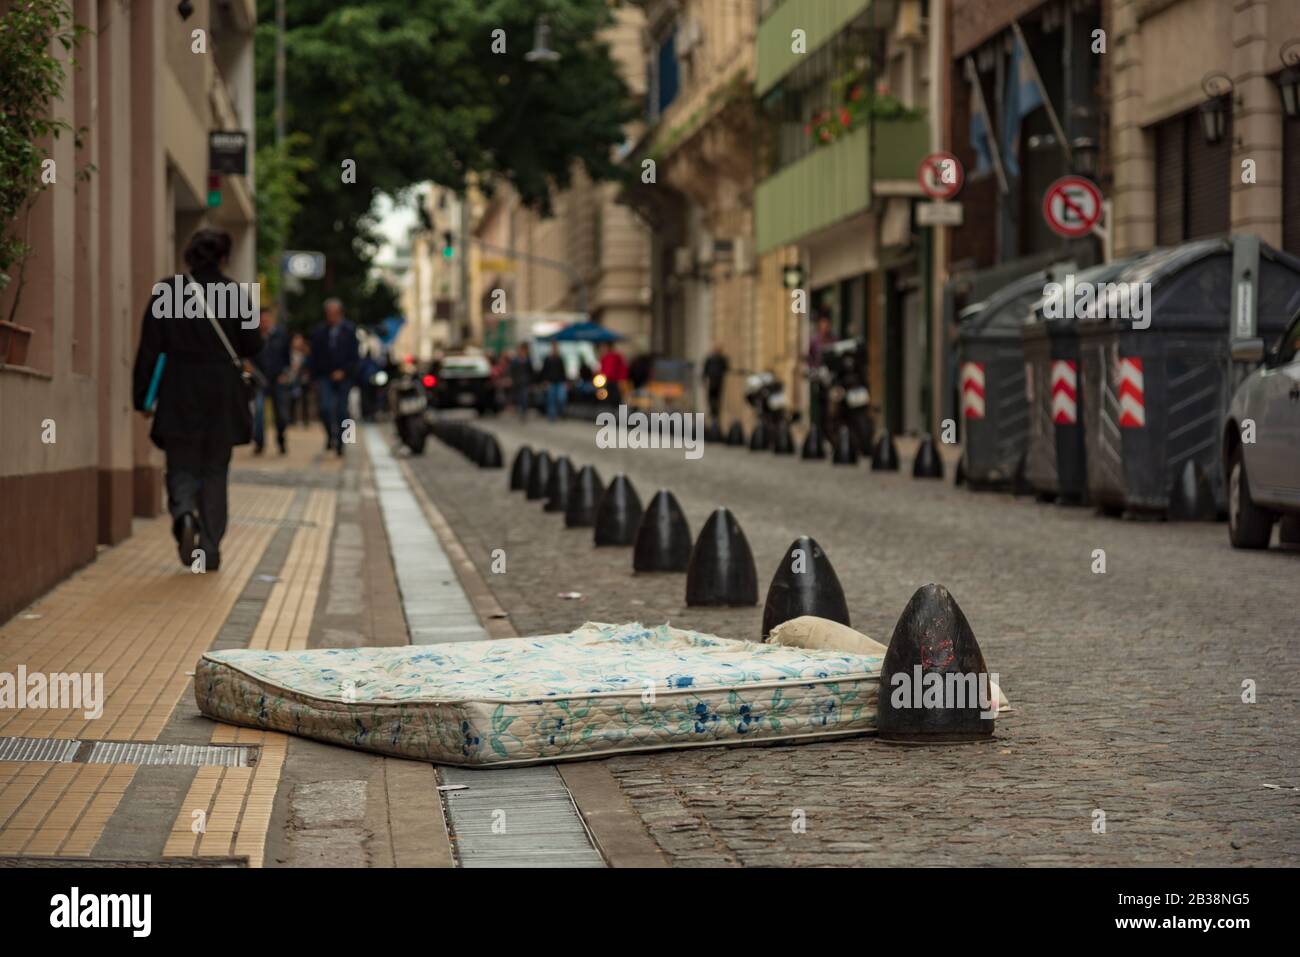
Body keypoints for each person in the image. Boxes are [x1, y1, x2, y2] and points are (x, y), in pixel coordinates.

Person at [132, 228, 263, 572]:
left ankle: (184, 512)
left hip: (179, 391)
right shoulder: (236, 295)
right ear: (223, 258)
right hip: (222, 394)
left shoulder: (168, 291)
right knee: (215, 469)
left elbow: (148, 350)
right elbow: (253, 345)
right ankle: (209, 547)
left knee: (181, 464)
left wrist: (142, 398)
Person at [309, 298, 359, 455]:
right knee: (325, 408)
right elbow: (314, 356)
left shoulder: (349, 330)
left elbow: (355, 356)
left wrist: (344, 371)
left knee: (343, 410)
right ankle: (331, 435)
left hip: (345, 376)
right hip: (325, 376)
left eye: (334, 313)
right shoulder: (319, 331)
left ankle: (343, 442)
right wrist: (315, 376)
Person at [251, 305, 291, 455]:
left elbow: (287, 358)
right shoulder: (254, 336)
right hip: (259, 380)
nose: (264, 323)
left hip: (277, 380)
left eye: (266, 320)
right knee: (259, 412)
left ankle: (281, 439)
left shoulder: (281, 335)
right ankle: (259, 442)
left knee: (280, 413)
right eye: (262, 320)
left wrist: (284, 374)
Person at [540, 341, 568, 422]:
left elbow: (563, 371)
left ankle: (561, 412)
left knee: (561, 398)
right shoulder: (547, 359)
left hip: (559, 382)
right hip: (550, 382)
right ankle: (552, 416)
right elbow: (544, 371)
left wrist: (565, 382)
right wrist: (545, 381)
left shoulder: (560, 358)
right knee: (551, 399)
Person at [288, 333, 311, 425]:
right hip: (292, 379)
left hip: (303, 379)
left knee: (305, 400)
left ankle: (306, 419)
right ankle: (291, 419)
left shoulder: (306, 353)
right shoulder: (289, 353)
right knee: (292, 399)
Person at [702, 343, 729, 421]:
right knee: (711, 399)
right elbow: (705, 371)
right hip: (712, 382)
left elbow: (726, 368)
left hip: (719, 382)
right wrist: (704, 380)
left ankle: (715, 414)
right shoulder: (710, 359)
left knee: (717, 400)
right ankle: (712, 413)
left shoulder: (722, 359)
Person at [507, 342, 532, 419]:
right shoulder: (515, 360)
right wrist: (511, 379)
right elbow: (511, 370)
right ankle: (521, 411)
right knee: (519, 398)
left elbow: (530, 371)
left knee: (524, 397)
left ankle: (523, 412)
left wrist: (531, 381)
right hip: (517, 382)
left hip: (525, 382)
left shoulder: (528, 360)